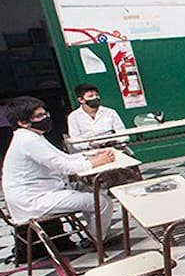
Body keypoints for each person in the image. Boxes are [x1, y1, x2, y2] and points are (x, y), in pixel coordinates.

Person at [2, 95, 117, 244]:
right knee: (102, 202)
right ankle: (96, 240)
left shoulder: (32, 136)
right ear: (23, 122)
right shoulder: (27, 140)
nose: (45, 118)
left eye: (45, 113)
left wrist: (93, 156)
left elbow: (63, 157)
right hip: (33, 201)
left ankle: (94, 234)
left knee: (88, 188)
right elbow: (66, 167)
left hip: (44, 191)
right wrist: (97, 161)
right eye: (39, 116)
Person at [66, 83, 127, 149]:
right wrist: (90, 145)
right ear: (81, 100)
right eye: (91, 96)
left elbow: (123, 133)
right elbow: (75, 141)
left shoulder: (110, 112)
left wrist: (116, 140)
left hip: (114, 148)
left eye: (97, 95)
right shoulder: (73, 117)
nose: (95, 98)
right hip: (89, 151)